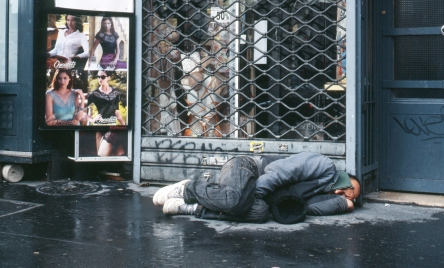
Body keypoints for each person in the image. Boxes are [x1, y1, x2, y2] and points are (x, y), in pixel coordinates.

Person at [153, 152, 361, 224]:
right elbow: (279, 171)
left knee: (261, 213)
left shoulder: (324, 194)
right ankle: (187, 189)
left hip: (253, 195)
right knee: (237, 201)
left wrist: (343, 204)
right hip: (248, 167)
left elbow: (305, 210)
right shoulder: (325, 166)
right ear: (345, 179)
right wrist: (256, 195)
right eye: (347, 189)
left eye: (347, 196)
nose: (341, 194)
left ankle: (192, 208)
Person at [86, 71, 127, 156]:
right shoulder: (94, 94)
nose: (100, 79)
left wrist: (125, 127)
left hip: (112, 127)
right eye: (98, 77)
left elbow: (117, 113)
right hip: (100, 127)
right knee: (101, 155)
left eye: (102, 77)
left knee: (118, 154)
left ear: (108, 78)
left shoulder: (115, 93)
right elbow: (81, 110)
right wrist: (92, 119)